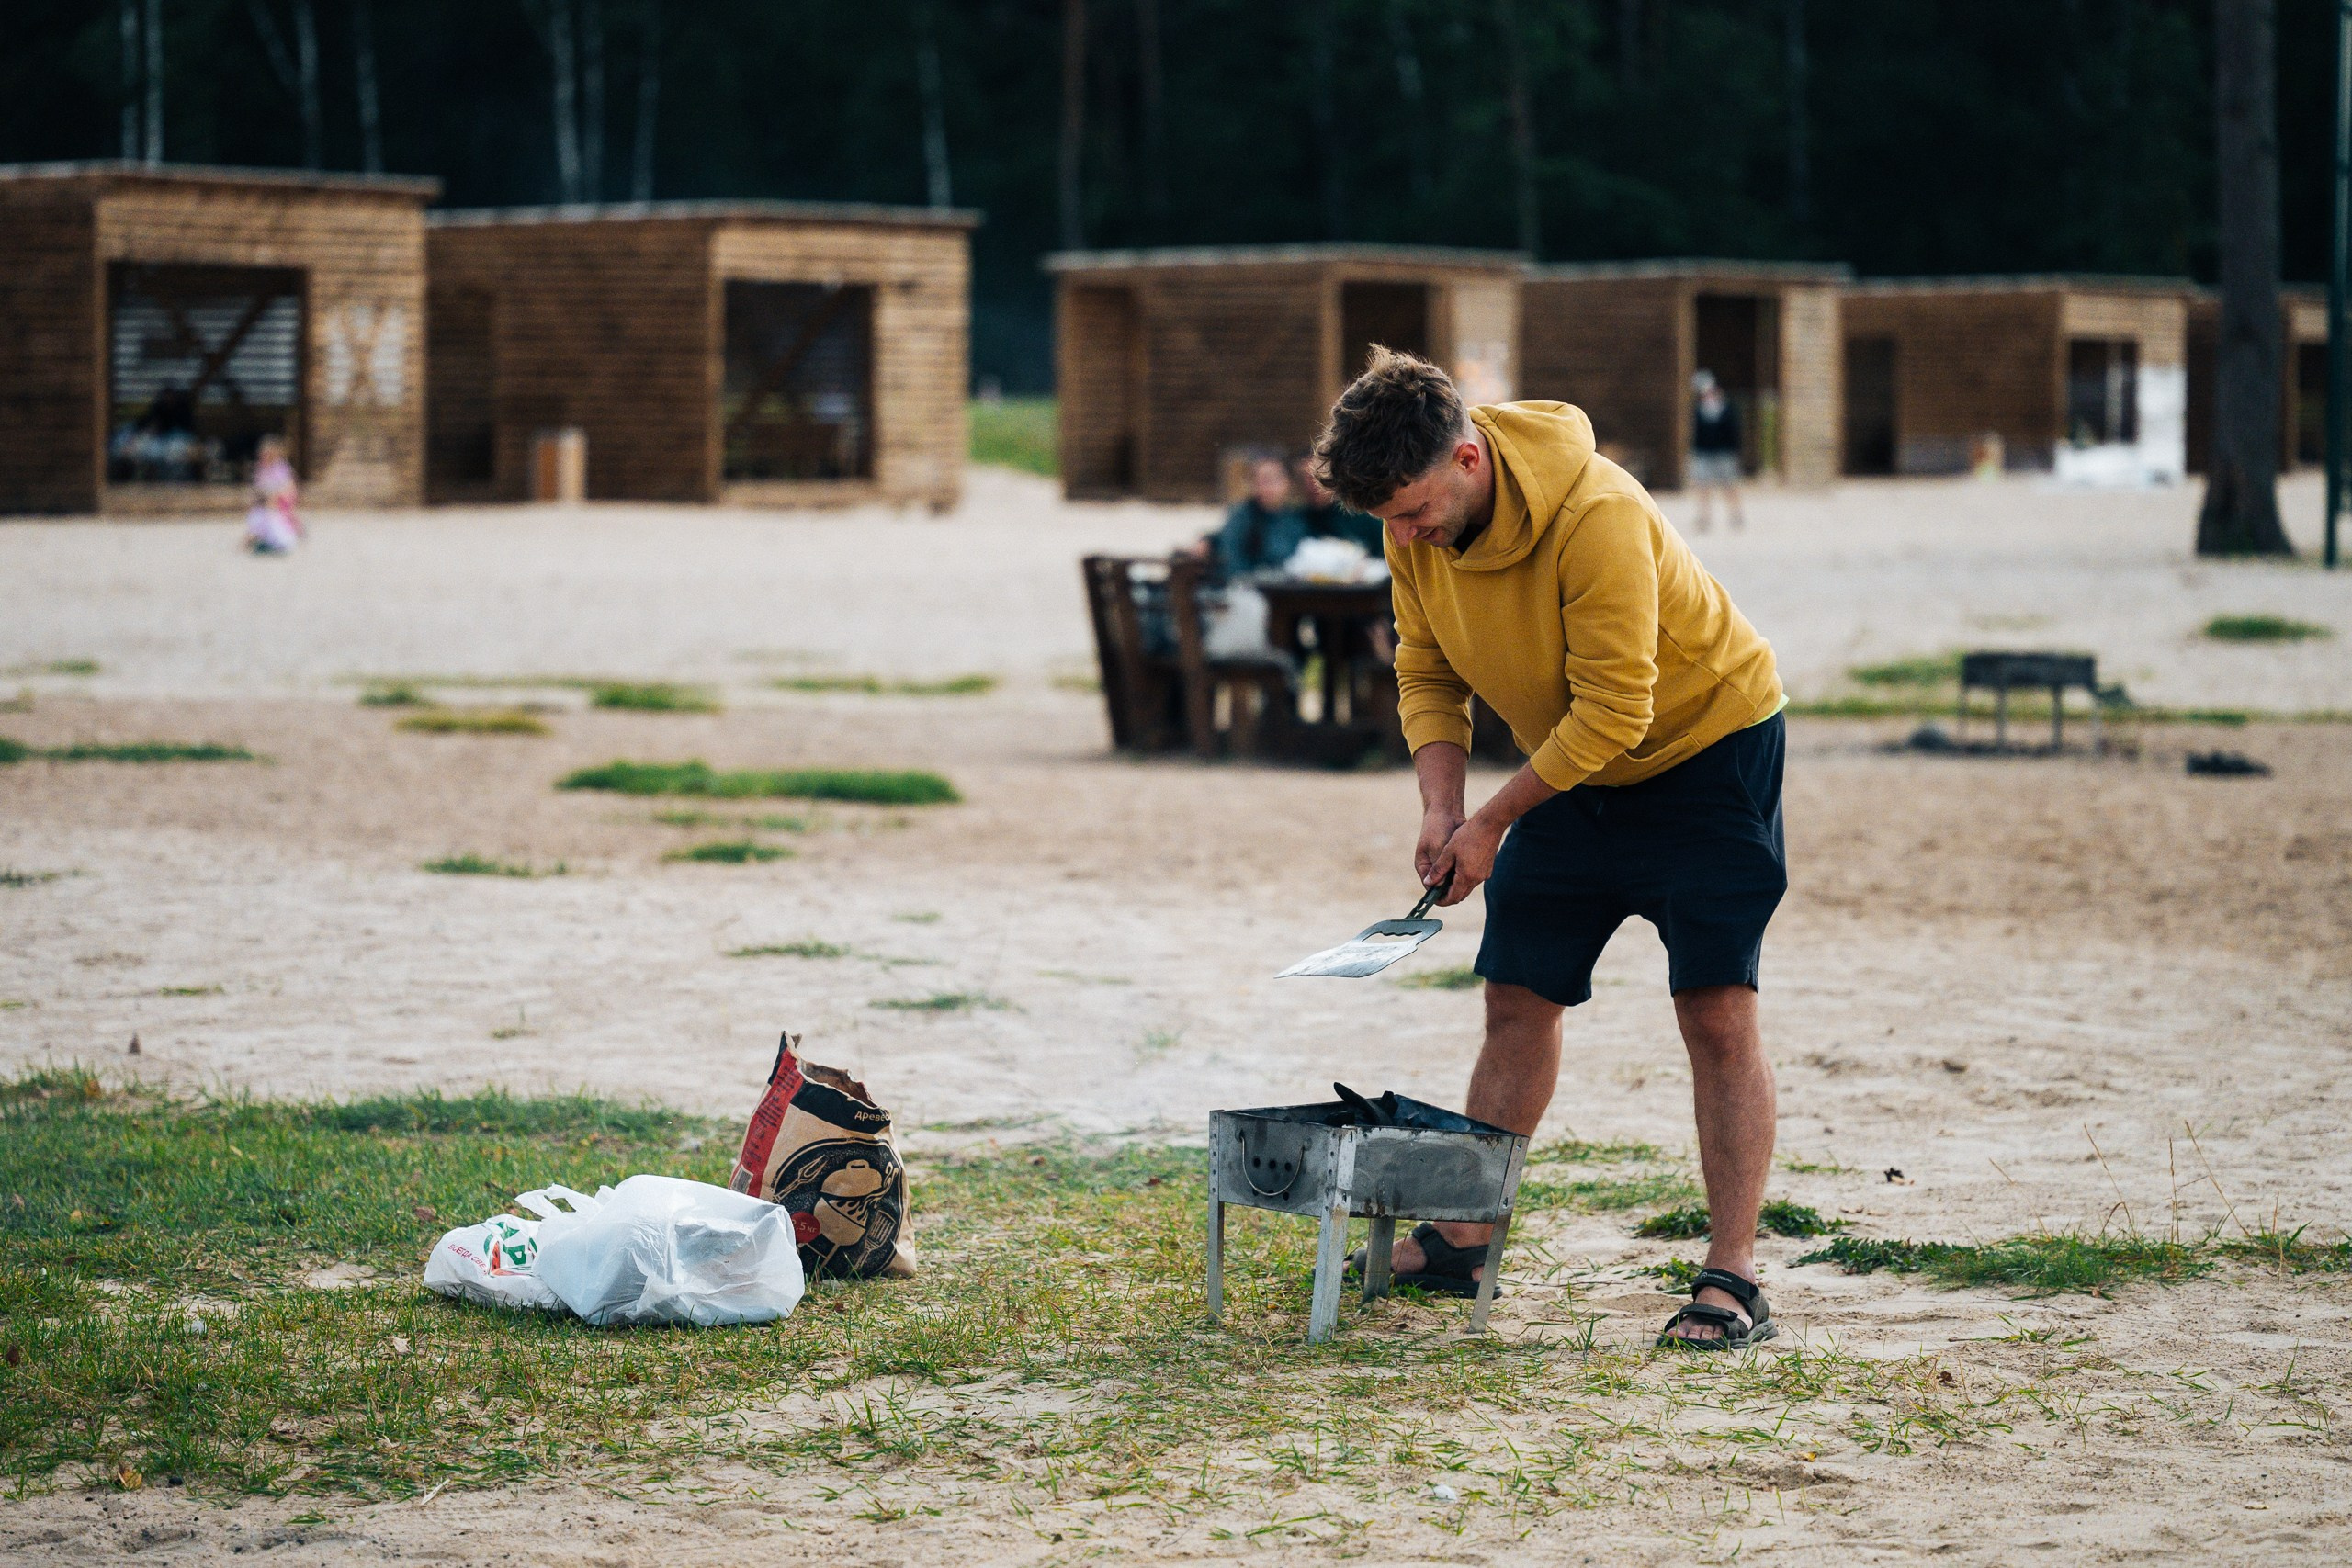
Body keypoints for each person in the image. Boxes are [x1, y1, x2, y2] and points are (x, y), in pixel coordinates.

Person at [1312, 348, 1789, 1349]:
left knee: (1712, 1007)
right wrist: (1443, 809)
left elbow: (1619, 707)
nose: (1403, 537)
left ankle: (1733, 1273)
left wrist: (1493, 821)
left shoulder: (1594, 514)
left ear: (1468, 457)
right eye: (1388, 522)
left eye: (1410, 511)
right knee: (1517, 994)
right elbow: (1426, 667)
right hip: (1572, 766)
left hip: (1704, 750)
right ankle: (1464, 1238)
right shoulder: (1417, 530)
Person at [1203, 456, 1305, 583]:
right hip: (1248, 586)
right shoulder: (1242, 517)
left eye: (1274, 480)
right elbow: (1231, 558)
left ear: (1287, 482)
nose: (1268, 487)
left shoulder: (1295, 519)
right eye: (1262, 481)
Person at [1295, 457, 1385, 557]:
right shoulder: (1296, 521)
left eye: (1315, 478)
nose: (1310, 485)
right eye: (1303, 479)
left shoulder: (1360, 515)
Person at [1689, 368, 1744, 532]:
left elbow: (1734, 430)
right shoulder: (1698, 409)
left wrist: (1734, 451)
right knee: (1703, 486)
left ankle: (1735, 515)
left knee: (1729, 485)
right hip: (1704, 453)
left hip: (1724, 453)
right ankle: (1704, 517)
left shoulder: (1726, 407)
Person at [243, 436, 305, 555]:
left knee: (277, 515)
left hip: (280, 498)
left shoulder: (280, 467)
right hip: (267, 498)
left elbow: (288, 487)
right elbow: (258, 486)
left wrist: (276, 496)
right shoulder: (261, 468)